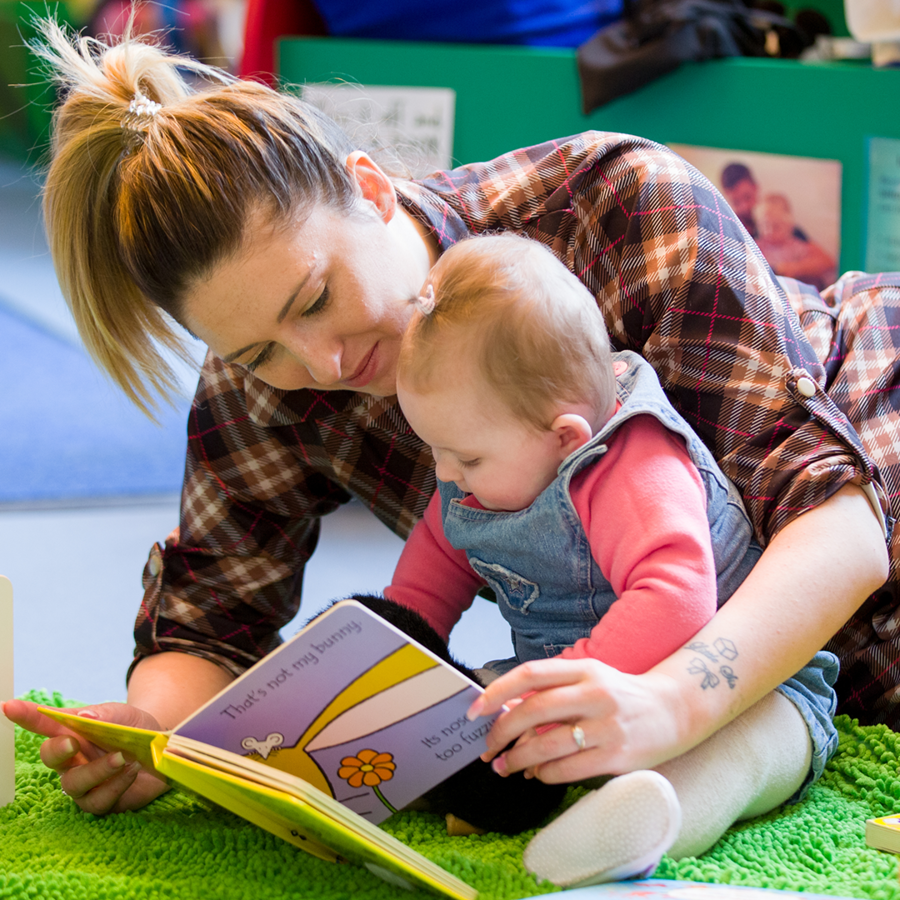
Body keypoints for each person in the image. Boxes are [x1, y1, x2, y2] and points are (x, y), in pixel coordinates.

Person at [2, 22, 891, 836]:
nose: (322, 364)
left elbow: (840, 522)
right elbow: (208, 619)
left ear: (371, 189)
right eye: (260, 350)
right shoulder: (259, 382)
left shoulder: (612, 208)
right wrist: (154, 733)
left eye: (316, 298)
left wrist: (672, 703)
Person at [383, 233, 836, 884]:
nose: (445, 474)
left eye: (467, 458)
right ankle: (472, 787)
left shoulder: (634, 460)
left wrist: (563, 686)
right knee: (469, 706)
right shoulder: (477, 469)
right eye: (435, 450)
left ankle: (653, 819)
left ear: (564, 437)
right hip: (578, 680)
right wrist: (390, 665)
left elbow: (675, 594)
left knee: (748, 752)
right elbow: (427, 577)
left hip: (742, 683)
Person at [755, 193, 836, 291]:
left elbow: (827, 264)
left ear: (789, 226)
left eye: (776, 227)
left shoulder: (796, 247)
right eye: (764, 226)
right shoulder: (756, 247)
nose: (769, 231)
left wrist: (792, 268)